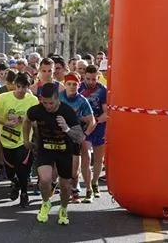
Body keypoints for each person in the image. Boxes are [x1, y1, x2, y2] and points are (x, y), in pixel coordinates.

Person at [23, 83, 83, 225]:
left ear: (58, 99)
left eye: (51, 103)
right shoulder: (36, 110)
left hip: (64, 150)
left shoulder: (67, 111)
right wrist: (25, 139)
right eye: (45, 103)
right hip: (45, 149)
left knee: (65, 184)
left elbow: (79, 137)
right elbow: (26, 121)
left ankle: (63, 208)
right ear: (40, 100)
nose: (48, 106)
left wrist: (67, 128)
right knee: (44, 180)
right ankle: (45, 203)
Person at [0, 73, 39, 208]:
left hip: (23, 140)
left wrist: (25, 120)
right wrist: (4, 121)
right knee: (10, 172)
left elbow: (37, 121)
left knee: (22, 169)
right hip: (6, 140)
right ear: (14, 86)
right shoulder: (3, 98)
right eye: (19, 86)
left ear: (29, 87)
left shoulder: (33, 100)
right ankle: (15, 183)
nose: (21, 90)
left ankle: (24, 194)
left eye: (25, 87)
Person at [59, 72, 96, 203]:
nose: (72, 87)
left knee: (75, 170)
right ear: (64, 84)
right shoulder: (58, 98)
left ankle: (80, 190)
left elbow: (92, 122)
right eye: (69, 84)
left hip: (75, 137)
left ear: (79, 85)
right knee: (59, 167)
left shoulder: (82, 101)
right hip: (60, 136)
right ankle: (58, 187)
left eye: (75, 84)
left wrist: (84, 135)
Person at [79, 65, 108, 200]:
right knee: (86, 158)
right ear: (84, 76)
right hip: (84, 128)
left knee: (98, 159)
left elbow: (107, 112)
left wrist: (95, 120)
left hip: (99, 126)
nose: (91, 82)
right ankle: (88, 189)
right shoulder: (79, 88)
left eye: (93, 79)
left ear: (98, 76)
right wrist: (84, 119)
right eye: (88, 79)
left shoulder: (102, 90)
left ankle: (95, 182)